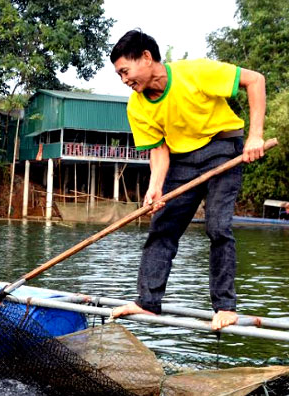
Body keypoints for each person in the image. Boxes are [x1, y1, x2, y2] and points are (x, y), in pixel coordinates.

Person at [108, 30, 266, 330]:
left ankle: (225, 307)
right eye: (119, 76)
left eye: (125, 72)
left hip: (222, 148)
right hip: (182, 160)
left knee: (218, 226)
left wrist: (255, 135)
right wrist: (155, 189)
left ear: (146, 57)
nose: (125, 80)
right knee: (162, 226)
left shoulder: (195, 72)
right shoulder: (137, 106)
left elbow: (254, 80)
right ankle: (147, 302)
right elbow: (159, 151)